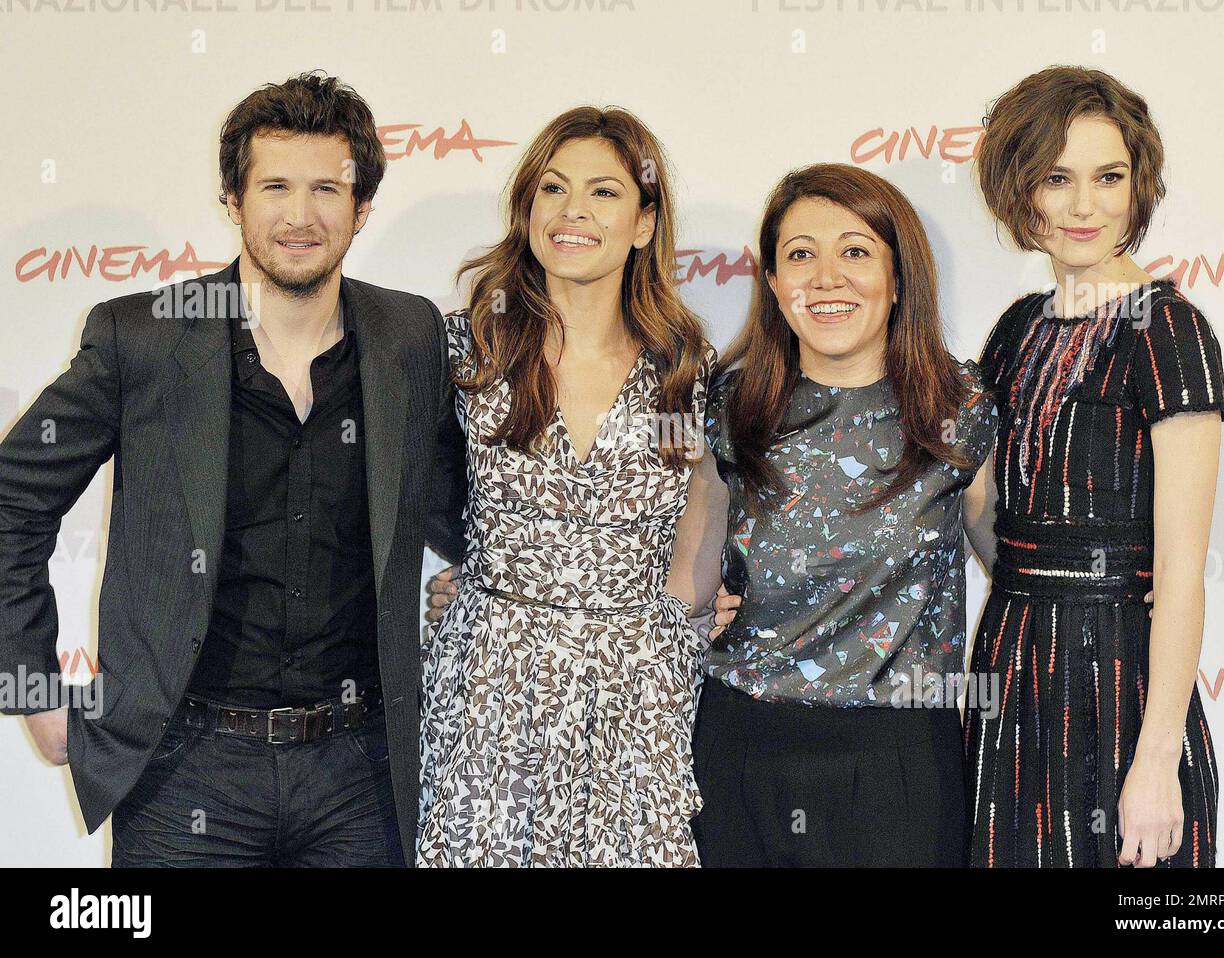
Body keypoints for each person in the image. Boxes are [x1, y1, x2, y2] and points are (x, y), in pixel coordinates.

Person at [0, 72, 468, 866]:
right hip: (185, 769)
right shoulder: (142, 338)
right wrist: (29, 686)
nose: (300, 214)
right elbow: (12, 499)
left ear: (361, 208)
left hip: (359, 773)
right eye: (275, 185)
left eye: (327, 188)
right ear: (233, 200)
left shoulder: (409, 336)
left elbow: (470, 503)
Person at [416, 106, 725, 867]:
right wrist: (471, 575)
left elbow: (708, 503)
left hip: (637, 695)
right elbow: (410, 488)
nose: (573, 211)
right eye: (552, 189)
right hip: (489, 687)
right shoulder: (466, 349)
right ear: (526, 211)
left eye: (604, 192)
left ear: (645, 224)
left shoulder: (685, 367)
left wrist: (694, 607)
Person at [690, 163, 998, 867]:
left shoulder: (961, 411)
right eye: (800, 254)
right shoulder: (728, 410)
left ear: (899, 277)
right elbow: (672, 575)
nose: (826, 277)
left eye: (855, 251)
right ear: (772, 281)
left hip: (898, 767)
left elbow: (1021, 575)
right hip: (739, 752)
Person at [964, 66, 1224, 868]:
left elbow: (1183, 572)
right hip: (1012, 668)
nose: (1084, 206)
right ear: (1019, 189)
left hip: (1121, 680)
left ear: (1137, 186)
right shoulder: (1015, 329)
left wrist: (1154, 765)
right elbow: (993, 524)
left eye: (1108, 177)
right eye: (1057, 178)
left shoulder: (1171, 333)